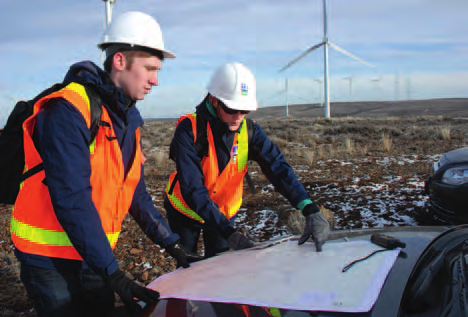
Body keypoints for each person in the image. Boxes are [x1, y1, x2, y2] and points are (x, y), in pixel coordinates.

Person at [10, 11, 202, 317]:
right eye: (150, 68)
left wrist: (173, 245)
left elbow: (134, 192)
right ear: (120, 61)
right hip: (48, 256)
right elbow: (72, 198)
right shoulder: (67, 109)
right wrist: (113, 273)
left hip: (92, 252)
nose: (156, 80)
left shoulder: (128, 120)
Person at [164, 62, 330, 259]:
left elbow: (278, 168)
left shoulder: (250, 131)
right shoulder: (188, 128)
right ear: (214, 100)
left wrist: (308, 207)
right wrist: (227, 231)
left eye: (244, 111)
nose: (238, 117)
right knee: (187, 269)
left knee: (220, 268)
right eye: (232, 109)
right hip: (185, 212)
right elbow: (192, 187)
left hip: (224, 213)